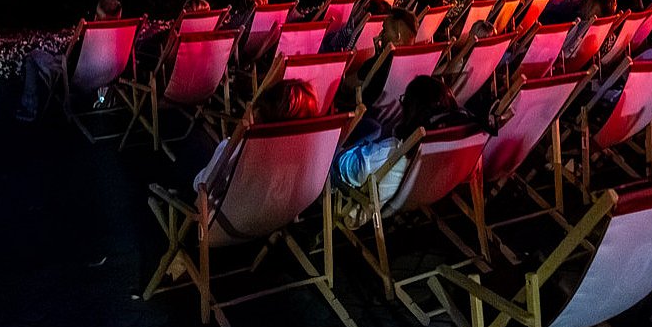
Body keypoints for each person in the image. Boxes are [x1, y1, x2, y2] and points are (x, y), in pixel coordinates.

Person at [334, 76, 474, 220]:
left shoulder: (391, 153)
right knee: (374, 128)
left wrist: (342, 147)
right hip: (418, 195)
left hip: (349, 179)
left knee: (350, 137)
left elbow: (347, 169)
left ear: (412, 112)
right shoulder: (439, 153)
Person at [192, 79, 320, 193]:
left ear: (259, 113)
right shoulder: (305, 162)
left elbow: (202, 186)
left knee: (197, 143)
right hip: (274, 214)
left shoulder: (235, 151)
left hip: (228, 215)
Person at [16, 0, 123, 121]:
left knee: (33, 56)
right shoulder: (121, 40)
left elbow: (69, 63)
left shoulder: (89, 40)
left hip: (76, 79)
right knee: (55, 56)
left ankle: (29, 108)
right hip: (108, 76)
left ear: (96, 17)